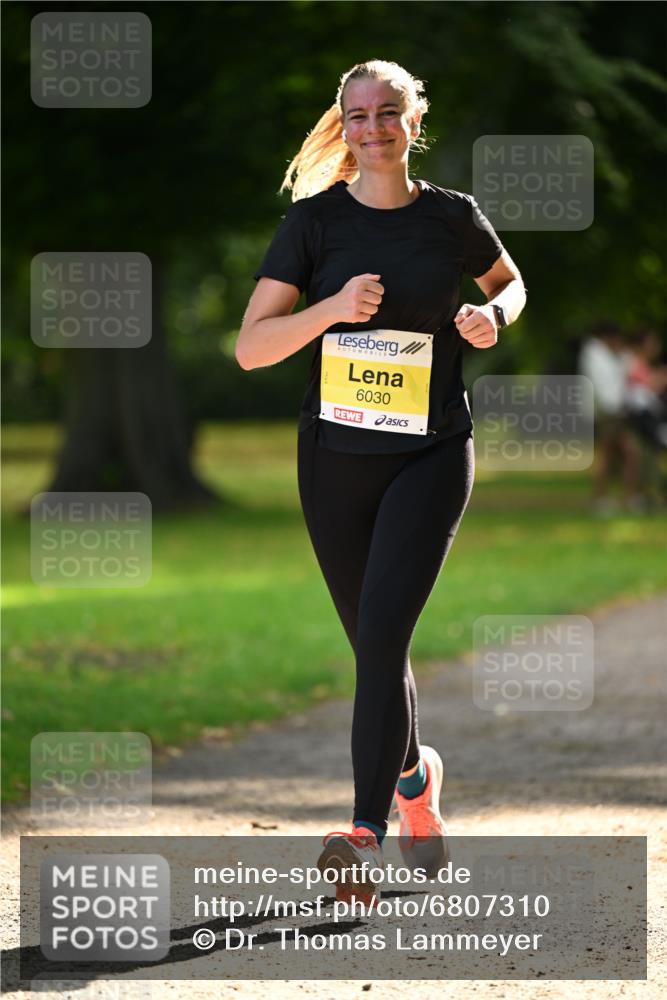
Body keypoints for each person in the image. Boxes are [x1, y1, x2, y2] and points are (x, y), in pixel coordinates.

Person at [236, 59, 526, 906]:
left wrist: (490, 315)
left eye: (387, 113)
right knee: (371, 646)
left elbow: (507, 283)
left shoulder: (451, 218)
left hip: (430, 453)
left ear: (412, 120)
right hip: (332, 459)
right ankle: (414, 778)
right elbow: (253, 347)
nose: (372, 128)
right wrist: (328, 309)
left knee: (386, 637)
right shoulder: (313, 225)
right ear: (343, 126)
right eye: (357, 115)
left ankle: (360, 832)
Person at [577, 321, 644, 515]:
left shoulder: (603, 354)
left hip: (611, 413)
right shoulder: (595, 355)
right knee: (616, 454)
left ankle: (620, 497)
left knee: (617, 455)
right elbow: (605, 390)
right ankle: (611, 498)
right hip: (609, 413)